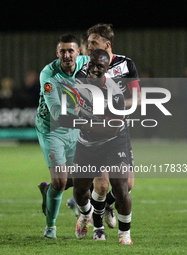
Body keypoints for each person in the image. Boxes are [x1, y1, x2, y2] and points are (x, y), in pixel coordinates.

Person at [67, 23, 140, 231]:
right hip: (95, 133)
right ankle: (94, 221)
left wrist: (115, 106)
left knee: (128, 186)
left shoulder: (126, 65)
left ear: (107, 44)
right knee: (101, 184)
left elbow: (137, 97)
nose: (89, 47)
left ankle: (107, 206)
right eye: (88, 43)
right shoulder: (84, 69)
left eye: (93, 42)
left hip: (119, 130)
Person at [58, 49, 133, 244]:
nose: (94, 69)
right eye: (92, 64)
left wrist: (77, 122)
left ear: (107, 69)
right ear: (87, 63)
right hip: (87, 143)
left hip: (113, 141)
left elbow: (110, 129)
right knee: (80, 190)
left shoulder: (114, 93)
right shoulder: (80, 77)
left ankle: (124, 234)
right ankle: (85, 214)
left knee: (121, 187)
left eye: (100, 66)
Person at [36, 34, 89, 238]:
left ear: (79, 52)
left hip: (76, 127)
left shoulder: (87, 64)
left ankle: (49, 192)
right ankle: (50, 227)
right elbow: (56, 112)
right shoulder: (48, 75)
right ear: (57, 53)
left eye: (71, 51)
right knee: (60, 182)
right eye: (63, 51)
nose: (67, 55)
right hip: (51, 129)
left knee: (84, 177)